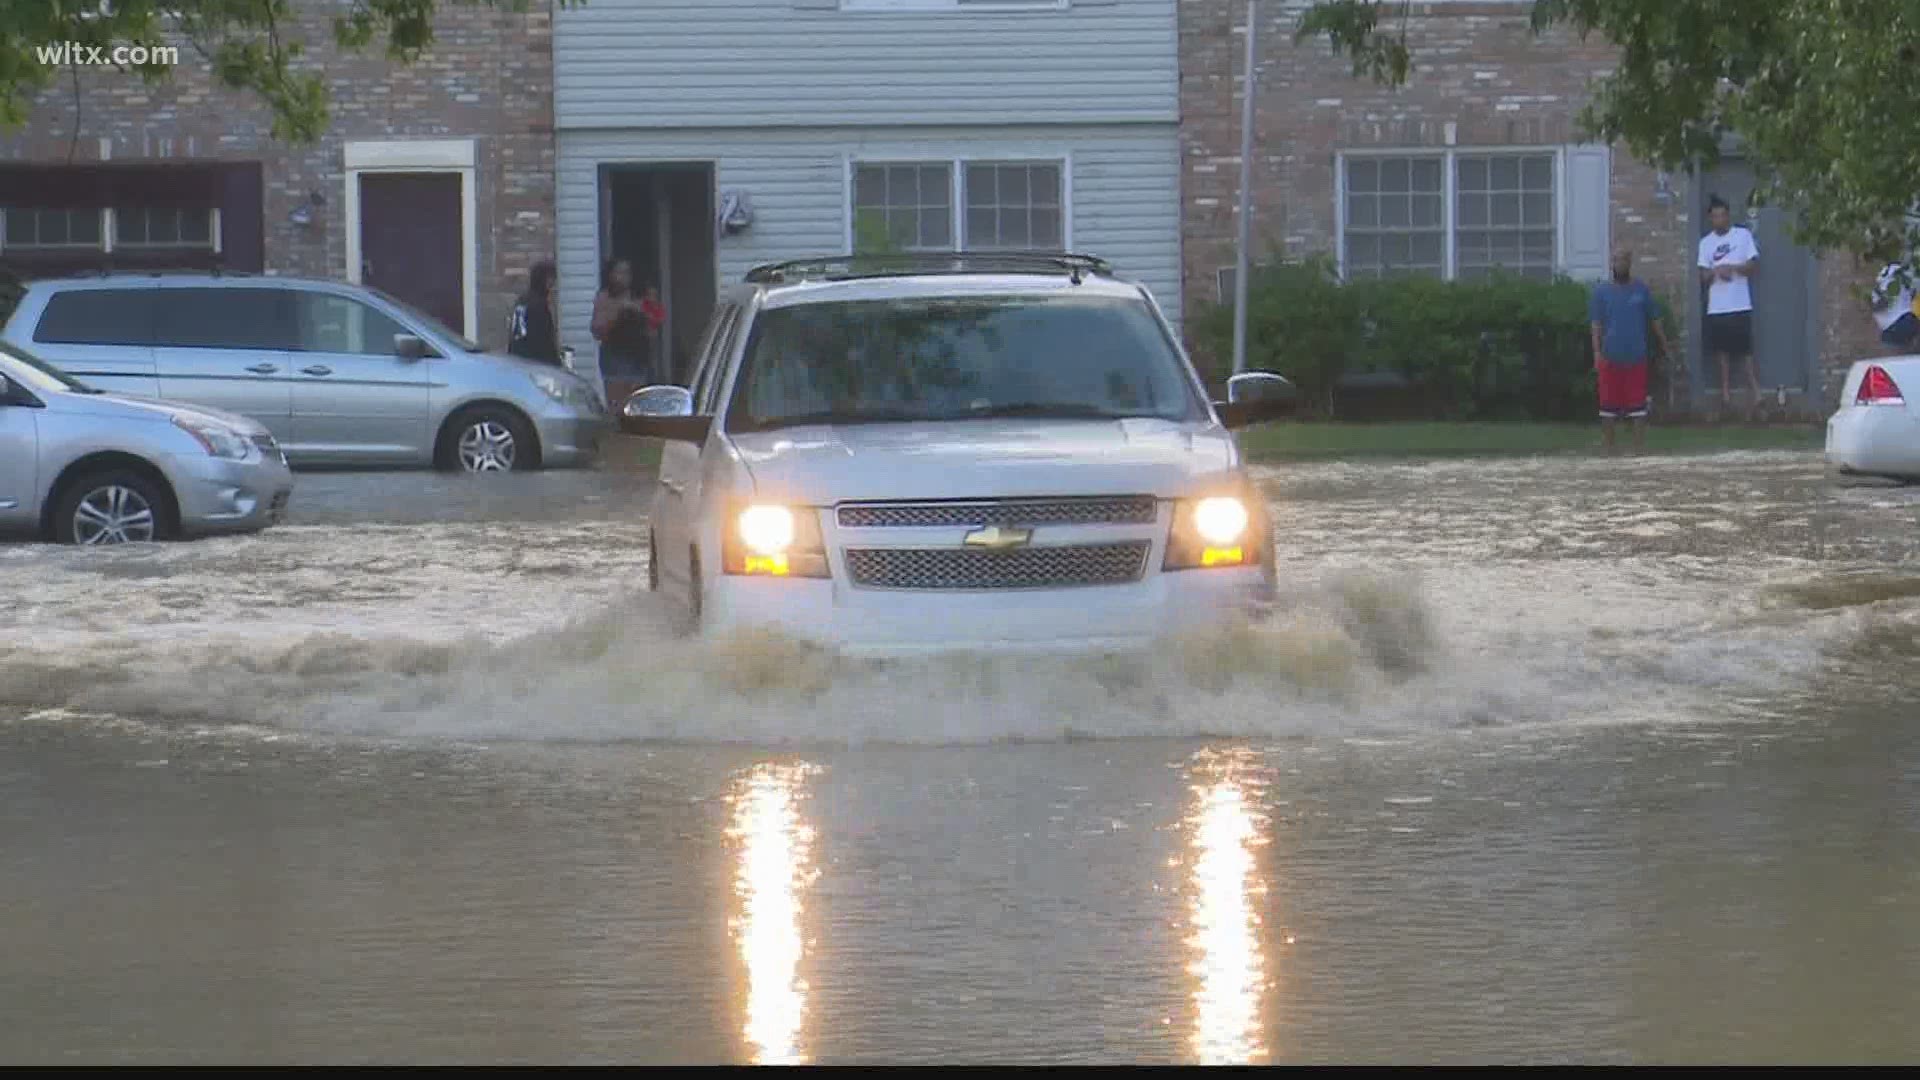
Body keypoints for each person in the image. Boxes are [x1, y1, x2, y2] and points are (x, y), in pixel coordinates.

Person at [1589, 245, 1673, 455]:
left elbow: (1655, 320)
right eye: (1617, 260)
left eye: (1624, 260)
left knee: (1637, 404)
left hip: (1636, 355)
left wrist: (1665, 345)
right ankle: (1609, 446)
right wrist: (1596, 352)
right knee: (1607, 404)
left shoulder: (1641, 290)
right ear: (1612, 263)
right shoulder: (1601, 292)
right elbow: (1596, 324)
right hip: (1610, 355)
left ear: (1630, 263)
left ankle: (1638, 447)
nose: (1621, 264)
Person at [1697, 196, 1760, 415]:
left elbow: (1753, 266)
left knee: (1746, 351)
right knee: (1721, 353)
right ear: (1710, 218)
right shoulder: (1705, 243)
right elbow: (1703, 276)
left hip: (1740, 303)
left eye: (1723, 215)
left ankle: (1756, 393)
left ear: (1728, 215)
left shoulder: (1743, 236)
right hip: (1717, 307)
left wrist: (1732, 268)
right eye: (1715, 216)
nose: (1719, 219)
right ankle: (1725, 394)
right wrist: (1716, 272)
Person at [591, 258, 653, 387]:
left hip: (639, 358)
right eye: (619, 272)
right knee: (618, 401)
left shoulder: (640, 296)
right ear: (611, 275)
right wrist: (619, 310)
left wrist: (641, 312)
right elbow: (597, 331)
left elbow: (653, 326)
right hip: (615, 357)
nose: (623, 277)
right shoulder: (605, 297)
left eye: (627, 273)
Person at [508, 260, 562, 366]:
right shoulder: (539, 305)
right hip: (534, 361)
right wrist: (556, 363)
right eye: (551, 280)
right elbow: (544, 339)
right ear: (544, 280)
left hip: (516, 357)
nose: (553, 284)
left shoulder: (522, 301)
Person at [1871, 259, 1920, 352]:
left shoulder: (1881, 280)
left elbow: (1877, 308)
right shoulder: (1903, 273)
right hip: (1903, 322)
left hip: (1886, 332)